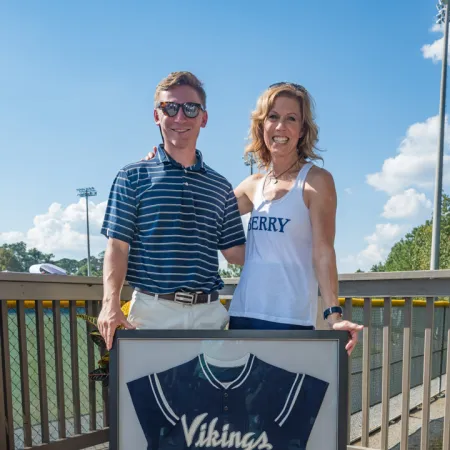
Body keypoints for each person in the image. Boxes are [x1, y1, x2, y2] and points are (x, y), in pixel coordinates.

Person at [145, 81, 363, 355]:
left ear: (302, 130)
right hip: (244, 315)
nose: (280, 127)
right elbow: (197, 211)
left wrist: (334, 316)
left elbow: (323, 251)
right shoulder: (253, 184)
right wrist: (162, 162)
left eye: (291, 119)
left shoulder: (316, 182)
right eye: (273, 117)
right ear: (261, 125)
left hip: (290, 318)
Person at [98, 71, 246, 350]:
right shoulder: (132, 176)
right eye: (170, 108)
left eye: (190, 108)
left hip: (209, 315)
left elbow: (235, 252)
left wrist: (293, 245)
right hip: (153, 314)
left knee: (211, 395)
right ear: (157, 116)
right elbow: (117, 246)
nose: (180, 118)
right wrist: (110, 304)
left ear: (204, 118)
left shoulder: (220, 186)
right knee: (150, 394)